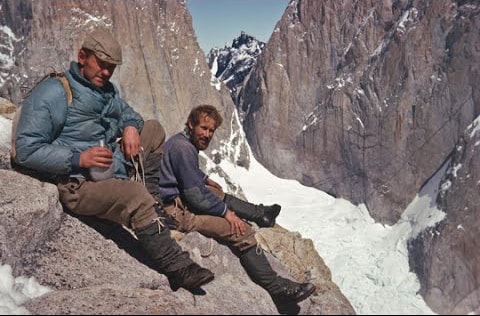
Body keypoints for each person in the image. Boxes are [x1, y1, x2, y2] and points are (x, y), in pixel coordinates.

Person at [12, 27, 214, 292]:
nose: (106, 72)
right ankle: (178, 268)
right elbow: (25, 149)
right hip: (79, 184)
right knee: (134, 196)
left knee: (153, 129)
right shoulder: (54, 92)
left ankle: (153, 206)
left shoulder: (105, 90)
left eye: (112, 67)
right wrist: (78, 158)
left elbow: (129, 114)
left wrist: (130, 127)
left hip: (108, 167)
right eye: (102, 64)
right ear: (82, 56)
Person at [155, 104, 317, 306]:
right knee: (241, 231)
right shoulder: (183, 148)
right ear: (191, 124)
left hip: (174, 203)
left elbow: (182, 173)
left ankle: (261, 214)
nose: (207, 134)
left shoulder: (181, 142)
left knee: (215, 192)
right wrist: (227, 214)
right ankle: (277, 288)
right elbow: (195, 196)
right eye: (203, 128)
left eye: (211, 130)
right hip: (177, 214)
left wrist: (203, 178)